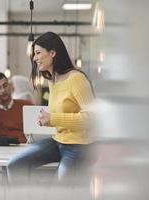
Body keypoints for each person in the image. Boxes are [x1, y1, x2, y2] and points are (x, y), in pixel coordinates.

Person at [7, 32, 94, 183]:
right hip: (57, 141)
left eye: (38, 53)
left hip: (78, 145)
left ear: (52, 53)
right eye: (34, 54)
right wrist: (45, 119)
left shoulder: (76, 79)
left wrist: (52, 118)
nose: (34, 58)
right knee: (14, 165)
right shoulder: (52, 80)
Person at [0, 72, 33, 143]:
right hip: (0, 149)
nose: (3, 90)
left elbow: (34, 134)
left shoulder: (26, 105)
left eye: (5, 85)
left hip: (22, 146)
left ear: (10, 86)